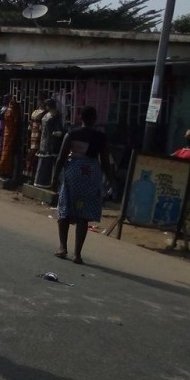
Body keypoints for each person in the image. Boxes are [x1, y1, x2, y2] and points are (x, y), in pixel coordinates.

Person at [52, 105, 112, 265]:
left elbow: (61, 158)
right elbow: (105, 162)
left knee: (64, 209)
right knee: (83, 215)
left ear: (81, 118)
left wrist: (54, 177)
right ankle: (77, 254)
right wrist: (111, 181)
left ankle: (62, 247)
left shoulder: (72, 134)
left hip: (73, 172)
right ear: (95, 119)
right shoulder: (101, 137)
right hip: (92, 174)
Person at [169, 130, 190, 250]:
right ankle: (177, 232)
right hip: (187, 186)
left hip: (176, 185)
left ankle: (176, 232)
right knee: (185, 209)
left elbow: (170, 158)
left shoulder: (180, 152)